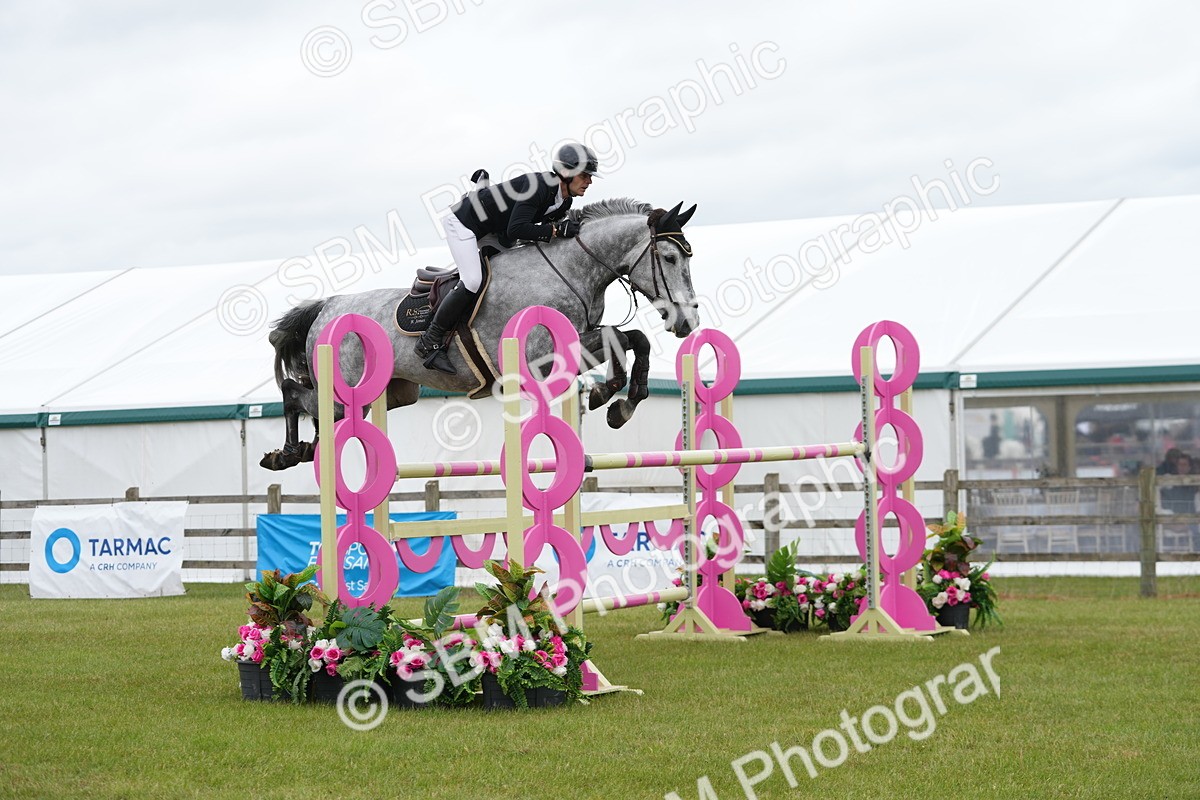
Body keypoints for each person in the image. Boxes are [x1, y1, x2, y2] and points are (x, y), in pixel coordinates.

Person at [416, 143, 599, 374]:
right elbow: (518, 229)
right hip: (464, 224)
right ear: (567, 173)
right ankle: (430, 339)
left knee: (510, 276)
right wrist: (555, 231)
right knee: (473, 280)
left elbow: (534, 229)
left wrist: (561, 229)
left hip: (493, 230)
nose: (589, 182)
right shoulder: (540, 187)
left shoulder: (565, 201)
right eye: (585, 176)